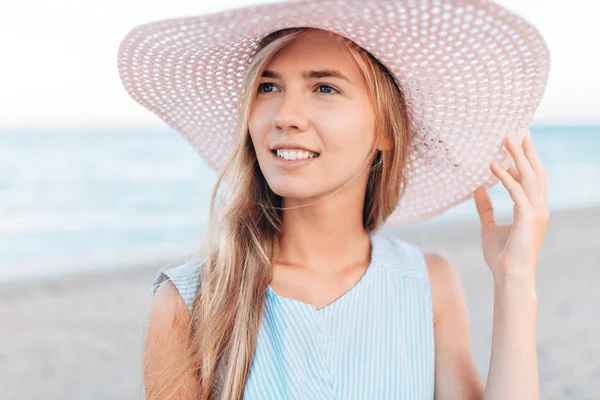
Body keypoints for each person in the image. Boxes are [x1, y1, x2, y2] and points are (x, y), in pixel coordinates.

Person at [117, 1, 551, 399]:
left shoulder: (426, 284)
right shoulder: (190, 303)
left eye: (324, 88)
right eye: (267, 88)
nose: (285, 116)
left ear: (385, 129)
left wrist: (515, 280)